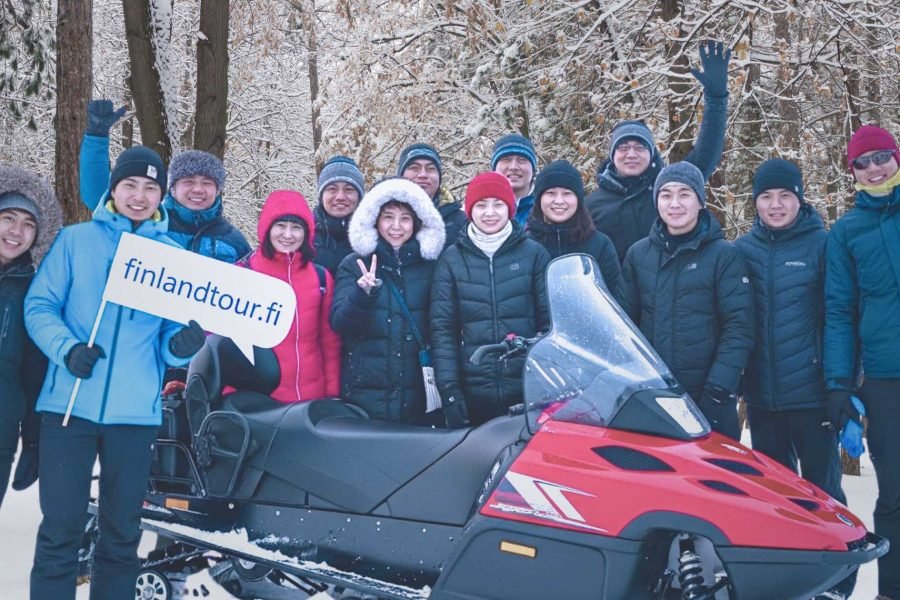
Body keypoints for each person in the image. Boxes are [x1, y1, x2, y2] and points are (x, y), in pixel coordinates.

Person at [24, 146, 206, 599]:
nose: (139, 196)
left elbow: (168, 332)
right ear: (114, 189)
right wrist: (67, 349)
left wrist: (178, 346)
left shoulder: (171, 255)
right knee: (61, 533)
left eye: (150, 187)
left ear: (162, 195)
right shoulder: (75, 241)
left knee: (122, 536)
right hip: (69, 410)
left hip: (135, 417)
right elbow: (40, 305)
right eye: (130, 185)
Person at [621, 162, 753, 440]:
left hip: (708, 399)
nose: (675, 203)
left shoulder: (723, 255)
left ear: (700, 202)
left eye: (684, 194)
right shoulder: (638, 255)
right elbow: (624, 326)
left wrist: (718, 390)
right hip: (652, 399)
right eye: (666, 195)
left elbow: (739, 327)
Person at [825, 125, 900, 600]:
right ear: (852, 172)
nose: (874, 167)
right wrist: (838, 384)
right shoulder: (846, 232)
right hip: (884, 377)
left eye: (882, 157)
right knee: (892, 495)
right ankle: (891, 590)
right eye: (863, 162)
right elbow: (838, 309)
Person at [586, 41, 731, 263]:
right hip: (616, 295)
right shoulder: (592, 205)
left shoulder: (670, 188)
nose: (631, 154)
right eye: (623, 147)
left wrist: (716, 97)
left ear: (652, 153)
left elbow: (707, 153)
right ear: (612, 155)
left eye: (640, 147)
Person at [431, 172, 551, 428]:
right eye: (481, 205)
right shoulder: (452, 260)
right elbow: (443, 331)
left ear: (509, 208)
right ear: (470, 210)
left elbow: (549, 323)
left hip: (527, 389)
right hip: (474, 390)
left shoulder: (534, 254)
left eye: (498, 204)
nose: (490, 213)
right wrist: (449, 390)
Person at [330, 178, 446, 423]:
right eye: (388, 217)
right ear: (375, 220)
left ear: (416, 223)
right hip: (366, 394)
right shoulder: (354, 264)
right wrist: (362, 295)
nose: (396, 226)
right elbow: (340, 323)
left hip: (417, 394)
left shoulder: (432, 268)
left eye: (404, 218)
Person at [79, 99, 251, 263]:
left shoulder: (234, 242)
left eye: (207, 183)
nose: (198, 189)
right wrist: (96, 137)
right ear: (173, 188)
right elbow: (98, 195)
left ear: (218, 190)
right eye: (189, 182)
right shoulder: (148, 222)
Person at [0, 166, 61, 508]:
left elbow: (34, 372)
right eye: (8, 217)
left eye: (28, 224)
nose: (16, 231)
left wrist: (32, 439)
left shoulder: (35, 290)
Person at [244, 190, 341, 403]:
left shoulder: (321, 277)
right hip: (259, 402)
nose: (288, 235)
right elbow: (225, 343)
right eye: (280, 226)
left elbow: (330, 343)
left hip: (310, 402)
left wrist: (333, 393)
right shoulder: (244, 273)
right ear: (267, 228)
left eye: (296, 227)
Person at [527, 159, 623, 302]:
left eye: (567, 193)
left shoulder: (600, 245)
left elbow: (614, 299)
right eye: (551, 193)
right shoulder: (527, 246)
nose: (559, 201)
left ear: (578, 199)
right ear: (539, 199)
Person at [397, 142, 467, 247]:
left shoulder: (460, 221)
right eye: (414, 168)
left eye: (430, 169)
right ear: (401, 176)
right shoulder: (383, 217)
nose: (423, 175)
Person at [314, 156, 365, 275]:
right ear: (322, 196)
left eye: (349, 190)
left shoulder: (373, 237)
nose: (340, 197)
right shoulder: (303, 237)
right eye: (332, 189)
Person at [491, 133, 538, 225]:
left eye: (522, 160)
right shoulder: (480, 209)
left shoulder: (546, 208)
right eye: (506, 160)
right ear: (494, 168)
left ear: (533, 169)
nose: (513, 167)